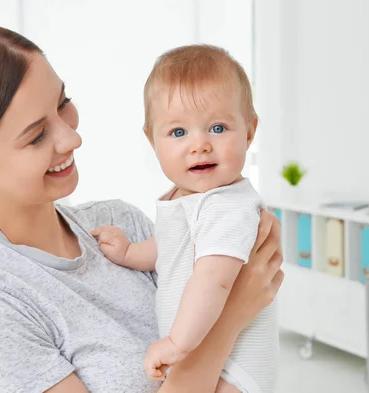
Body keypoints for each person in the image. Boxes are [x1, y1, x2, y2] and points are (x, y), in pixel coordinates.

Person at [0, 21, 283, 393]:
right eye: (37, 135)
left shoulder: (117, 224)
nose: (71, 138)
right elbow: (224, 306)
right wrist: (231, 316)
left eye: (62, 103)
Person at [91, 45, 278, 393]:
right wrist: (130, 253)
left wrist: (178, 343)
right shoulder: (191, 199)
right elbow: (171, 249)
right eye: (179, 133)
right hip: (214, 356)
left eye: (218, 128)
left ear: (250, 130)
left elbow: (215, 280)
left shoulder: (227, 206)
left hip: (235, 369)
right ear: (152, 140)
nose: (200, 145)